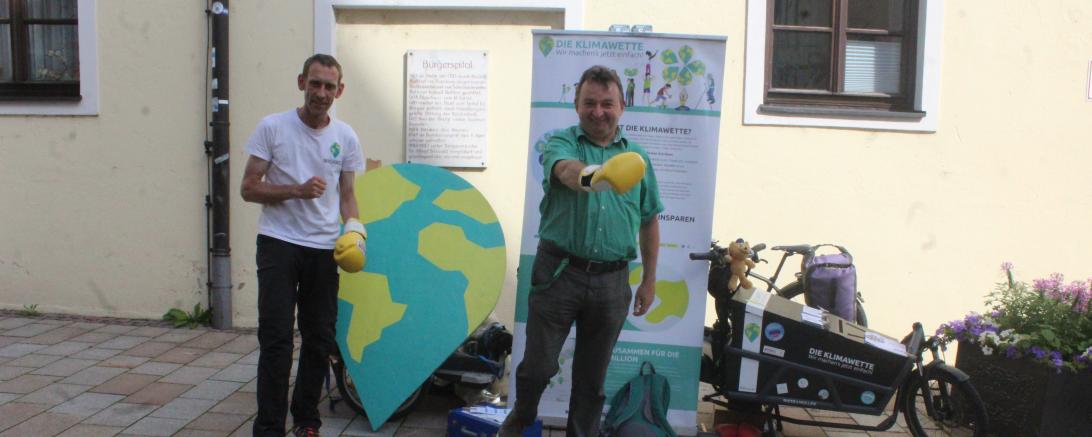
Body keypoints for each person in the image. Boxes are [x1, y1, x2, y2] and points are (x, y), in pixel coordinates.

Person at [501, 65, 663, 437]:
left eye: (607, 103)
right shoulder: (561, 142)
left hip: (613, 281)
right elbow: (566, 172)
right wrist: (600, 176)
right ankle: (521, 418)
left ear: (622, 105)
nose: (598, 111)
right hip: (559, 273)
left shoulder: (637, 159)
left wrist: (649, 281)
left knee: (592, 379)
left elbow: (649, 220)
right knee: (538, 366)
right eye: (589, 103)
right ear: (576, 104)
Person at [240, 54, 366, 437]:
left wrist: (355, 231)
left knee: (319, 339)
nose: (321, 92)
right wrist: (295, 190)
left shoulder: (345, 137)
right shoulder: (273, 127)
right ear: (301, 83)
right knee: (277, 339)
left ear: (339, 91)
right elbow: (248, 188)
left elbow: (347, 196)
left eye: (329, 86)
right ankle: (268, 428)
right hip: (278, 244)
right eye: (315, 83)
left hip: (324, 249)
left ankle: (306, 420)